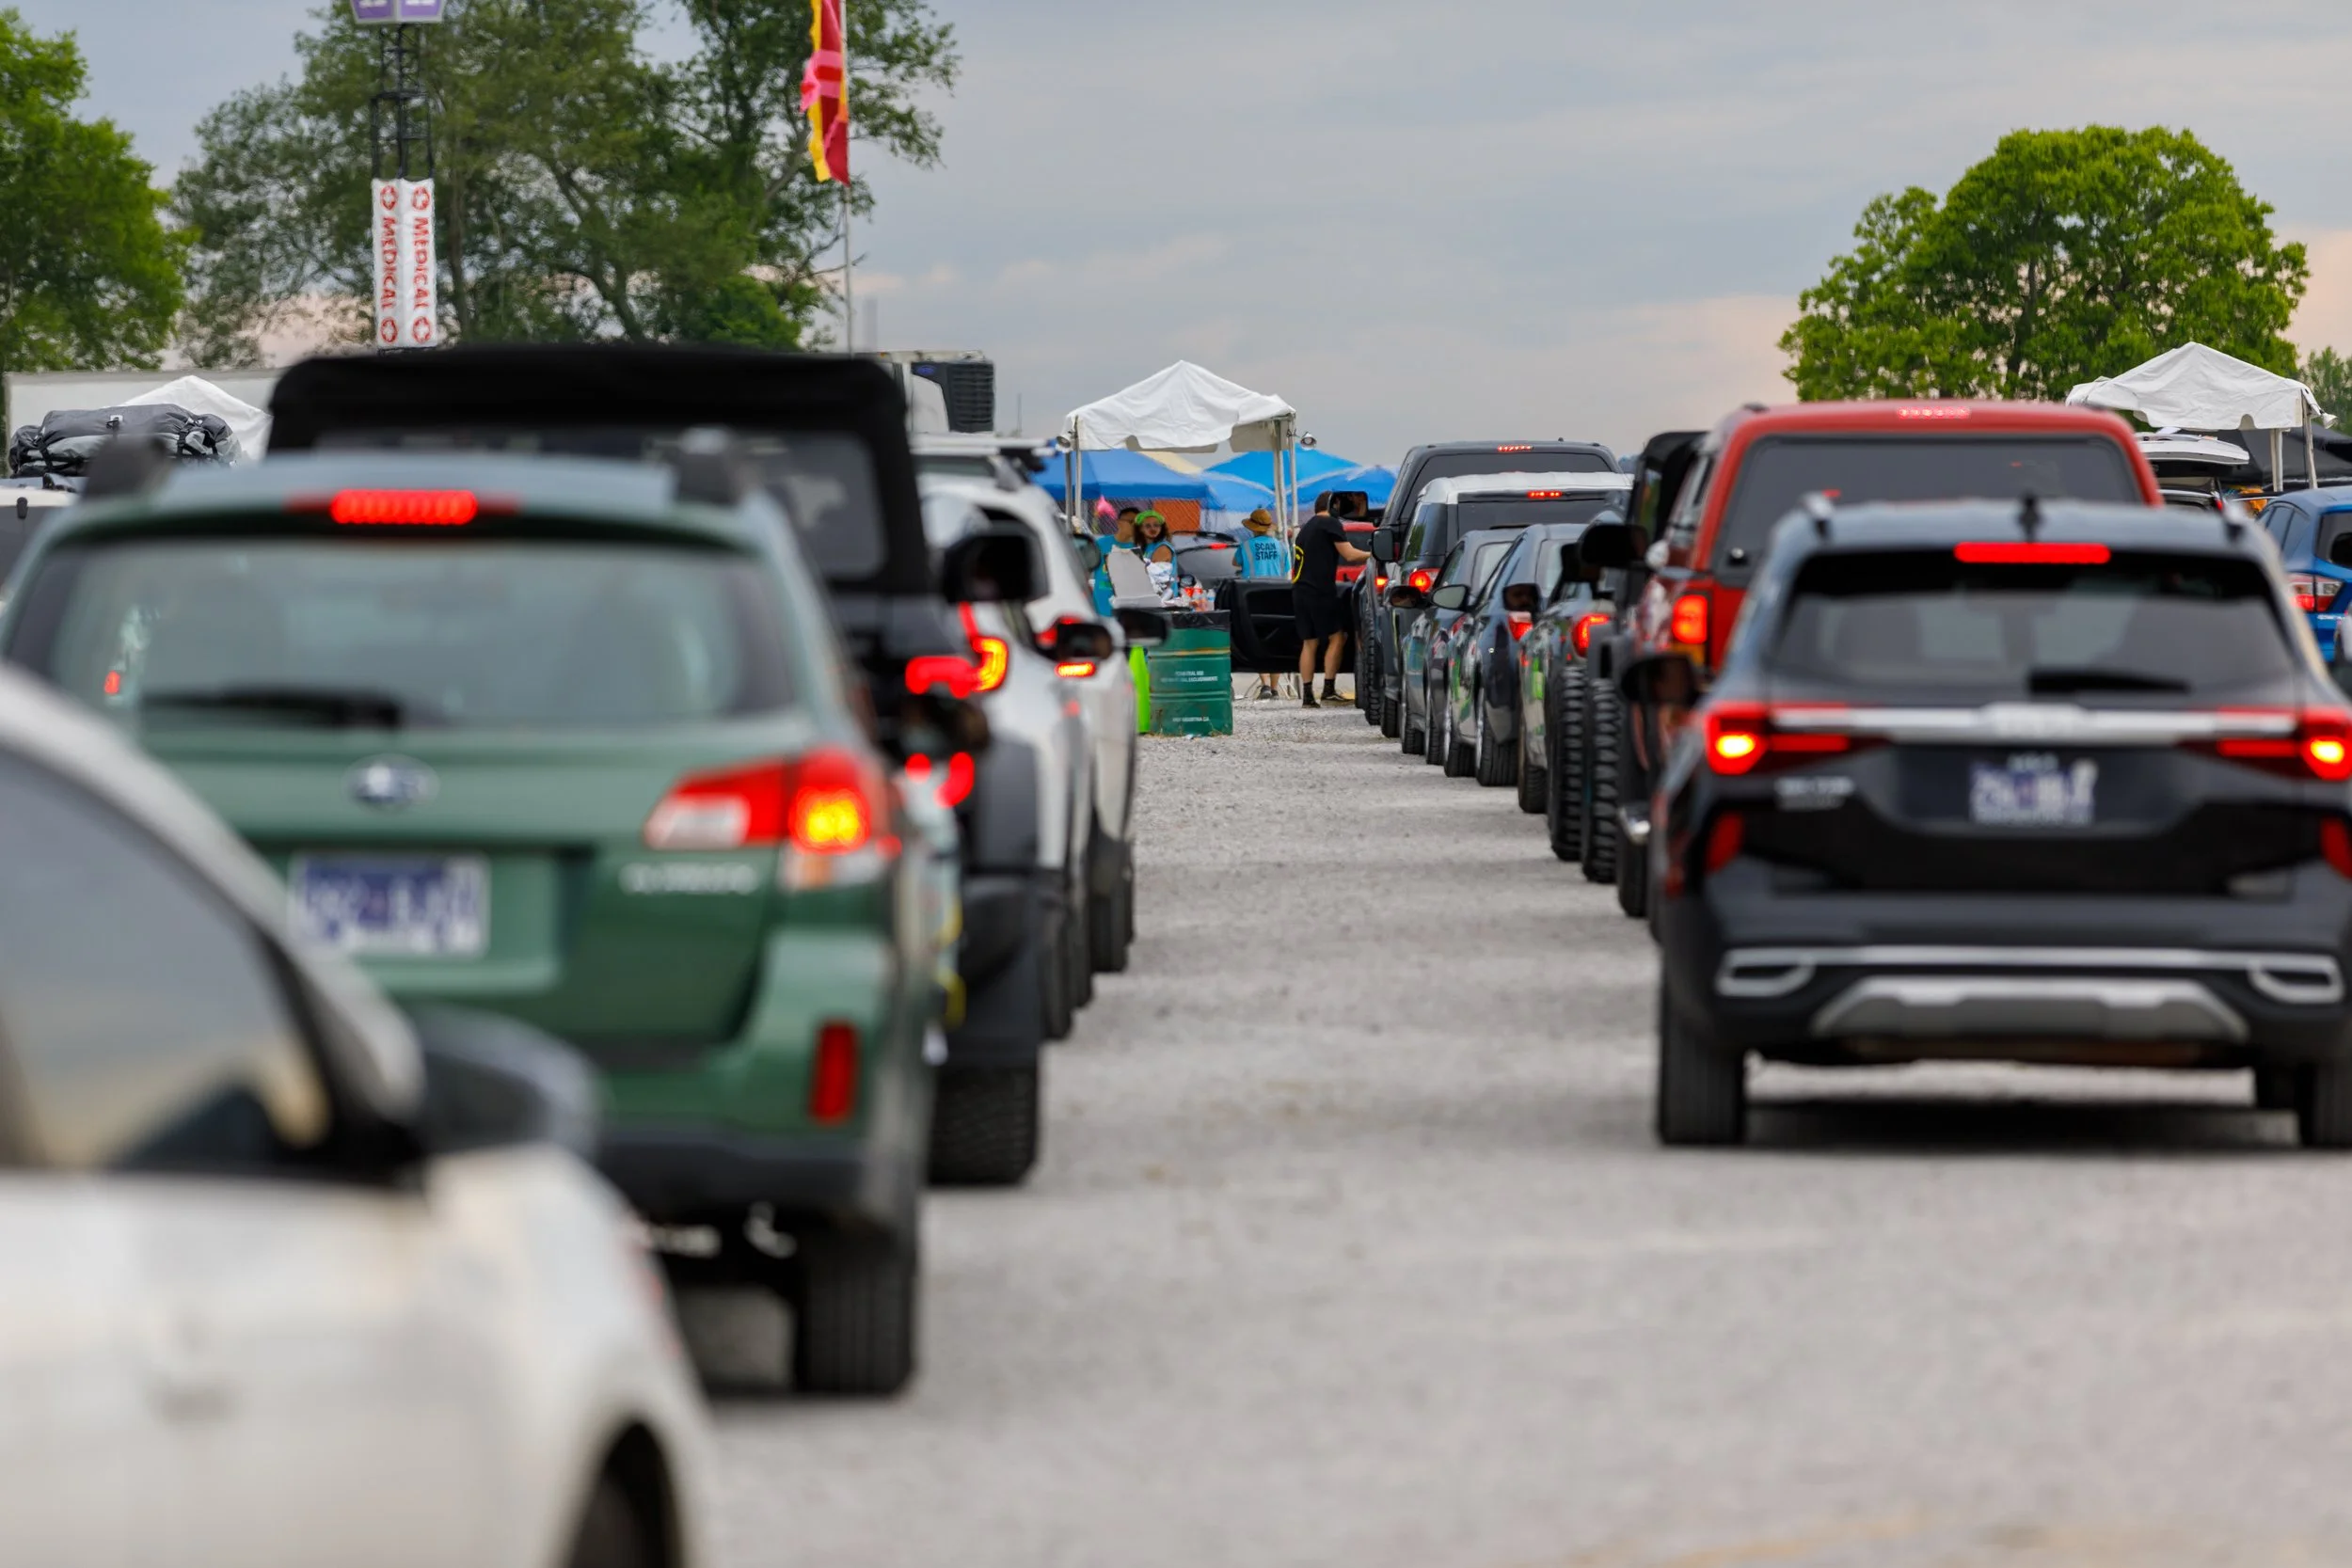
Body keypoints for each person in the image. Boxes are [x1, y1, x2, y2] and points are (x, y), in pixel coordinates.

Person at [1292, 494, 1370, 707]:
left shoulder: (1307, 528)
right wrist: (1374, 554)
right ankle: (1328, 689)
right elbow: (1350, 554)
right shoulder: (1330, 523)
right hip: (1320, 591)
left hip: (1300, 590)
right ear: (1333, 504)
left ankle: (1307, 696)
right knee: (1338, 637)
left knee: (1310, 642)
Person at [1235, 508, 1287, 578]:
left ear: (1252, 528)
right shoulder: (1281, 546)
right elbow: (1286, 567)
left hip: (1253, 588)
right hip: (1277, 587)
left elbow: (1235, 563)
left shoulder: (1246, 546)